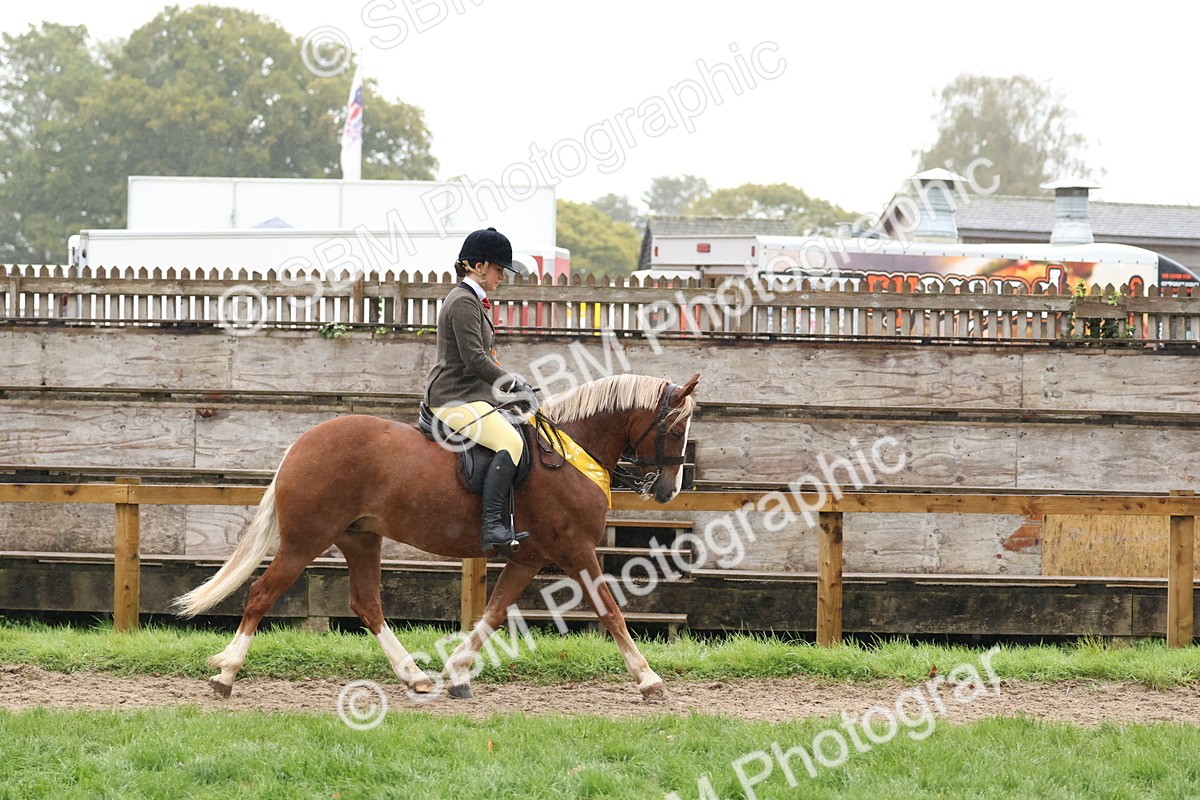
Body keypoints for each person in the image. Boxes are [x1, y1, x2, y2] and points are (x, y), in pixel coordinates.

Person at [424, 227, 536, 553]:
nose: (502, 276)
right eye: (499, 269)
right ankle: (493, 527)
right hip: (452, 398)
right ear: (479, 265)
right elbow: (475, 360)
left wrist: (507, 390)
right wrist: (514, 383)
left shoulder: (475, 301)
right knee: (511, 442)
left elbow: (485, 360)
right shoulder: (462, 302)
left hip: (472, 395)